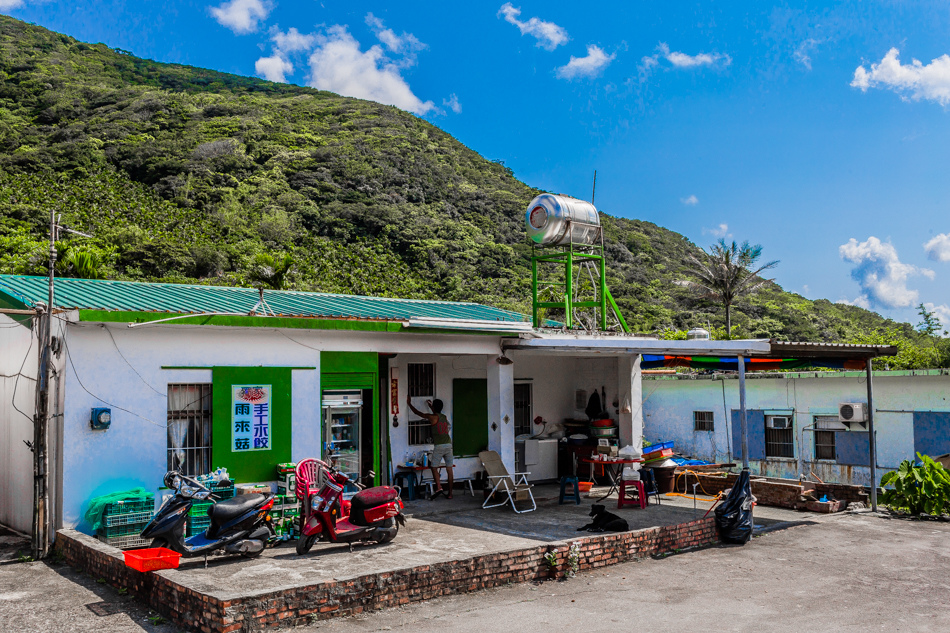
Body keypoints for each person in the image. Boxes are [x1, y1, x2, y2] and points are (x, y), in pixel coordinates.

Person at [407, 394, 454, 499]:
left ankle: (439, 487)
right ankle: (450, 494)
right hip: (448, 444)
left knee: (433, 466)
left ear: (434, 408)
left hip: (440, 445)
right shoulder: (444, 417)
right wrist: (431, 406)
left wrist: (409, 404)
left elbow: (418, 413)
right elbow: (437, 414)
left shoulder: (432, 417)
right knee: (449, 469)